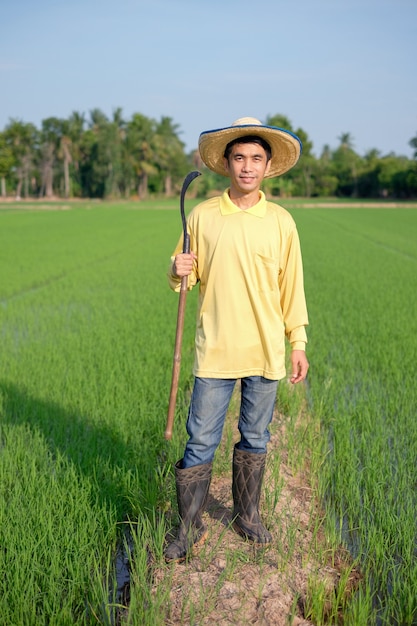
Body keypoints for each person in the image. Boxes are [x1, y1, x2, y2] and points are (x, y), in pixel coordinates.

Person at [165, 117, 309, 562]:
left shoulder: (281, 222)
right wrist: (178, 269)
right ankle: (188, 529)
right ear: (226, 162)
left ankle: (248, 517)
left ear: (268, 166)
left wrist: (297, 341)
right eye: (239, 157)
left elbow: (292, 287)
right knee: (200, 440)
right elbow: (183, 276)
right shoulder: (203, 215)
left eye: (256, 159)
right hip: (217, 350)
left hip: (265, 349)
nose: (247, 166)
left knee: (256, 436)